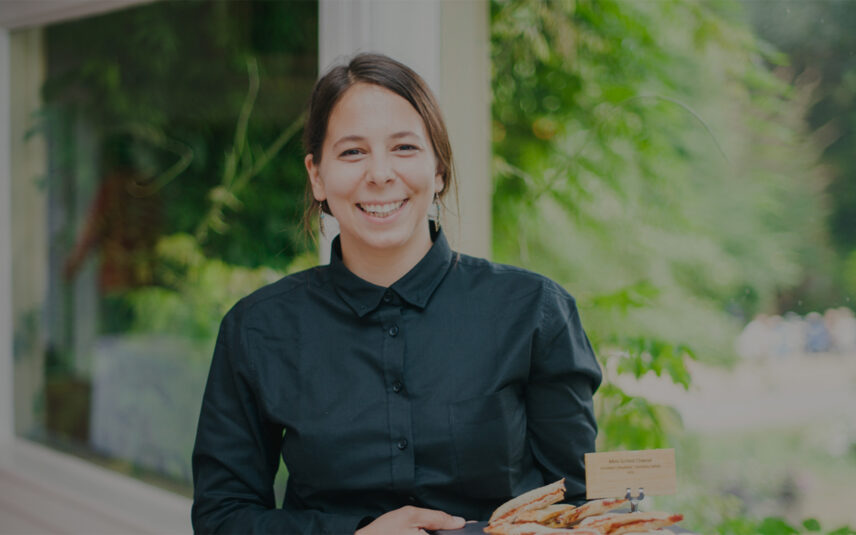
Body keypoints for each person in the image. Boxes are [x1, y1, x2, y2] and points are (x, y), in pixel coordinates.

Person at [191, 52, 602, 535]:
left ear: (439, 169)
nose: (380, 174)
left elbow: (579, 506)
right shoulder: (258, 328)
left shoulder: (535, 311)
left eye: (404, 148)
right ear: (317, 176)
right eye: (352, 152)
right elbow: (222, 518)